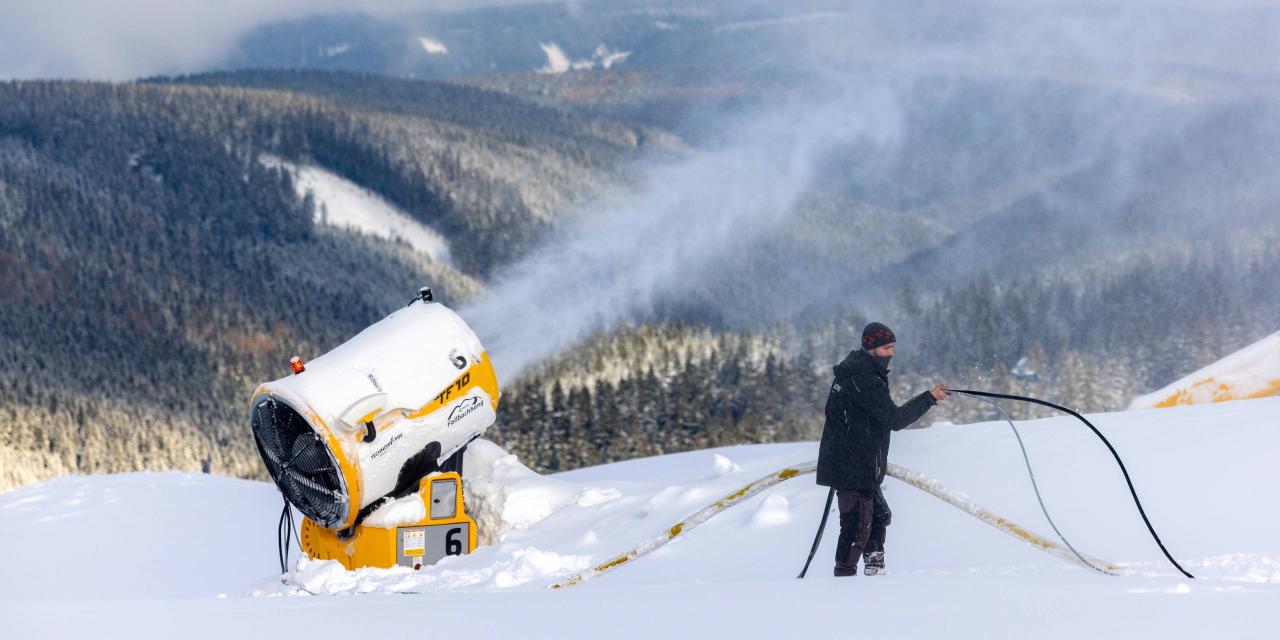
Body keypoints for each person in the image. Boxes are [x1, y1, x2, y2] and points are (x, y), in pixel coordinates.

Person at [816, 322, 948, 577]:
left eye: (892, 347)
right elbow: (895, 420)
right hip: (853, 467)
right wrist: (929, 398)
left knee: (878, 517)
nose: (892, 353)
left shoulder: (858, 373)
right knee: (857, 528)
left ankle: (874, 572)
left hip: (860, 464)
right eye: (887, 348)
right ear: (872, 348)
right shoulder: (863, 380)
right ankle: (844, 584)